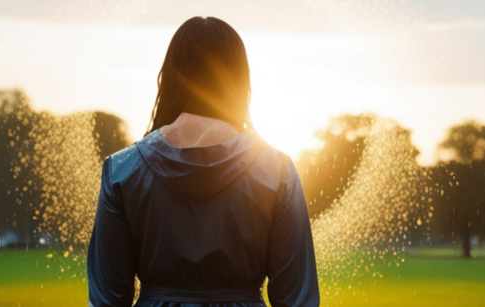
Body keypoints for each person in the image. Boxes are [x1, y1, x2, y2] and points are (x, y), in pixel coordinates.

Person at [86, 16, 320, 307]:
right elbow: (297, 300)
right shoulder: (277, 171)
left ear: (170, 78)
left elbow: (107, 300)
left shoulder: (122, 171)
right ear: (240, 82)